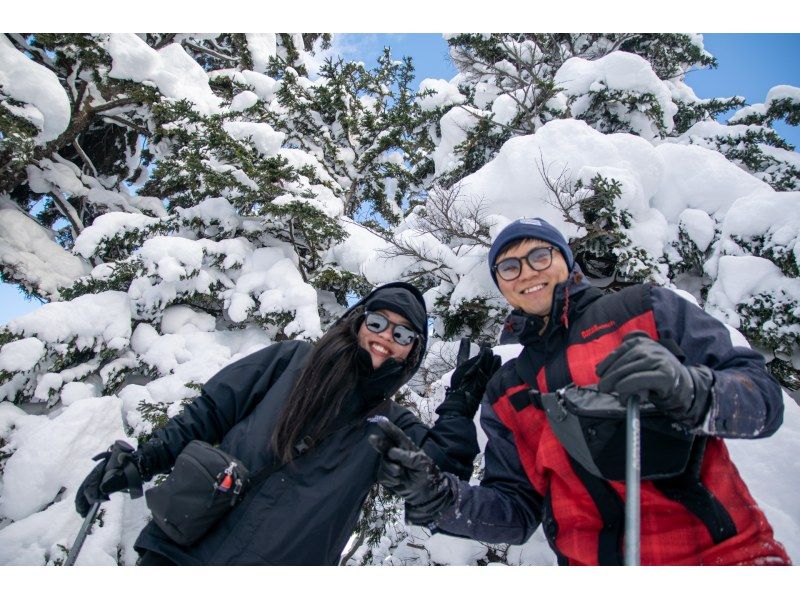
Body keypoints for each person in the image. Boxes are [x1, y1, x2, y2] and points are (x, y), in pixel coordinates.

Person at [371, 217, 791, 566]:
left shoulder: (646, 309)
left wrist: (694, 391)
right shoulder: (507, 389)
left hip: (728, 558)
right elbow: (516, 512)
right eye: (510, 266)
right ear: (501, 286)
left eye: (540, 255)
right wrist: (439, 498)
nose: (528, 271)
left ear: (566, 261)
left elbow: (764, 402)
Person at [74, 281, 484, 565]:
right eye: (377, 322)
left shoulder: (390, 423)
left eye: (403, 333)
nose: (385, 336)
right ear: (359, 322)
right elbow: (209, 414)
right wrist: (143, 461)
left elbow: (437, 482)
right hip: (185, 550)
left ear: (411, 352)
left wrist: (458, 410)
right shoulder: (290, 360)